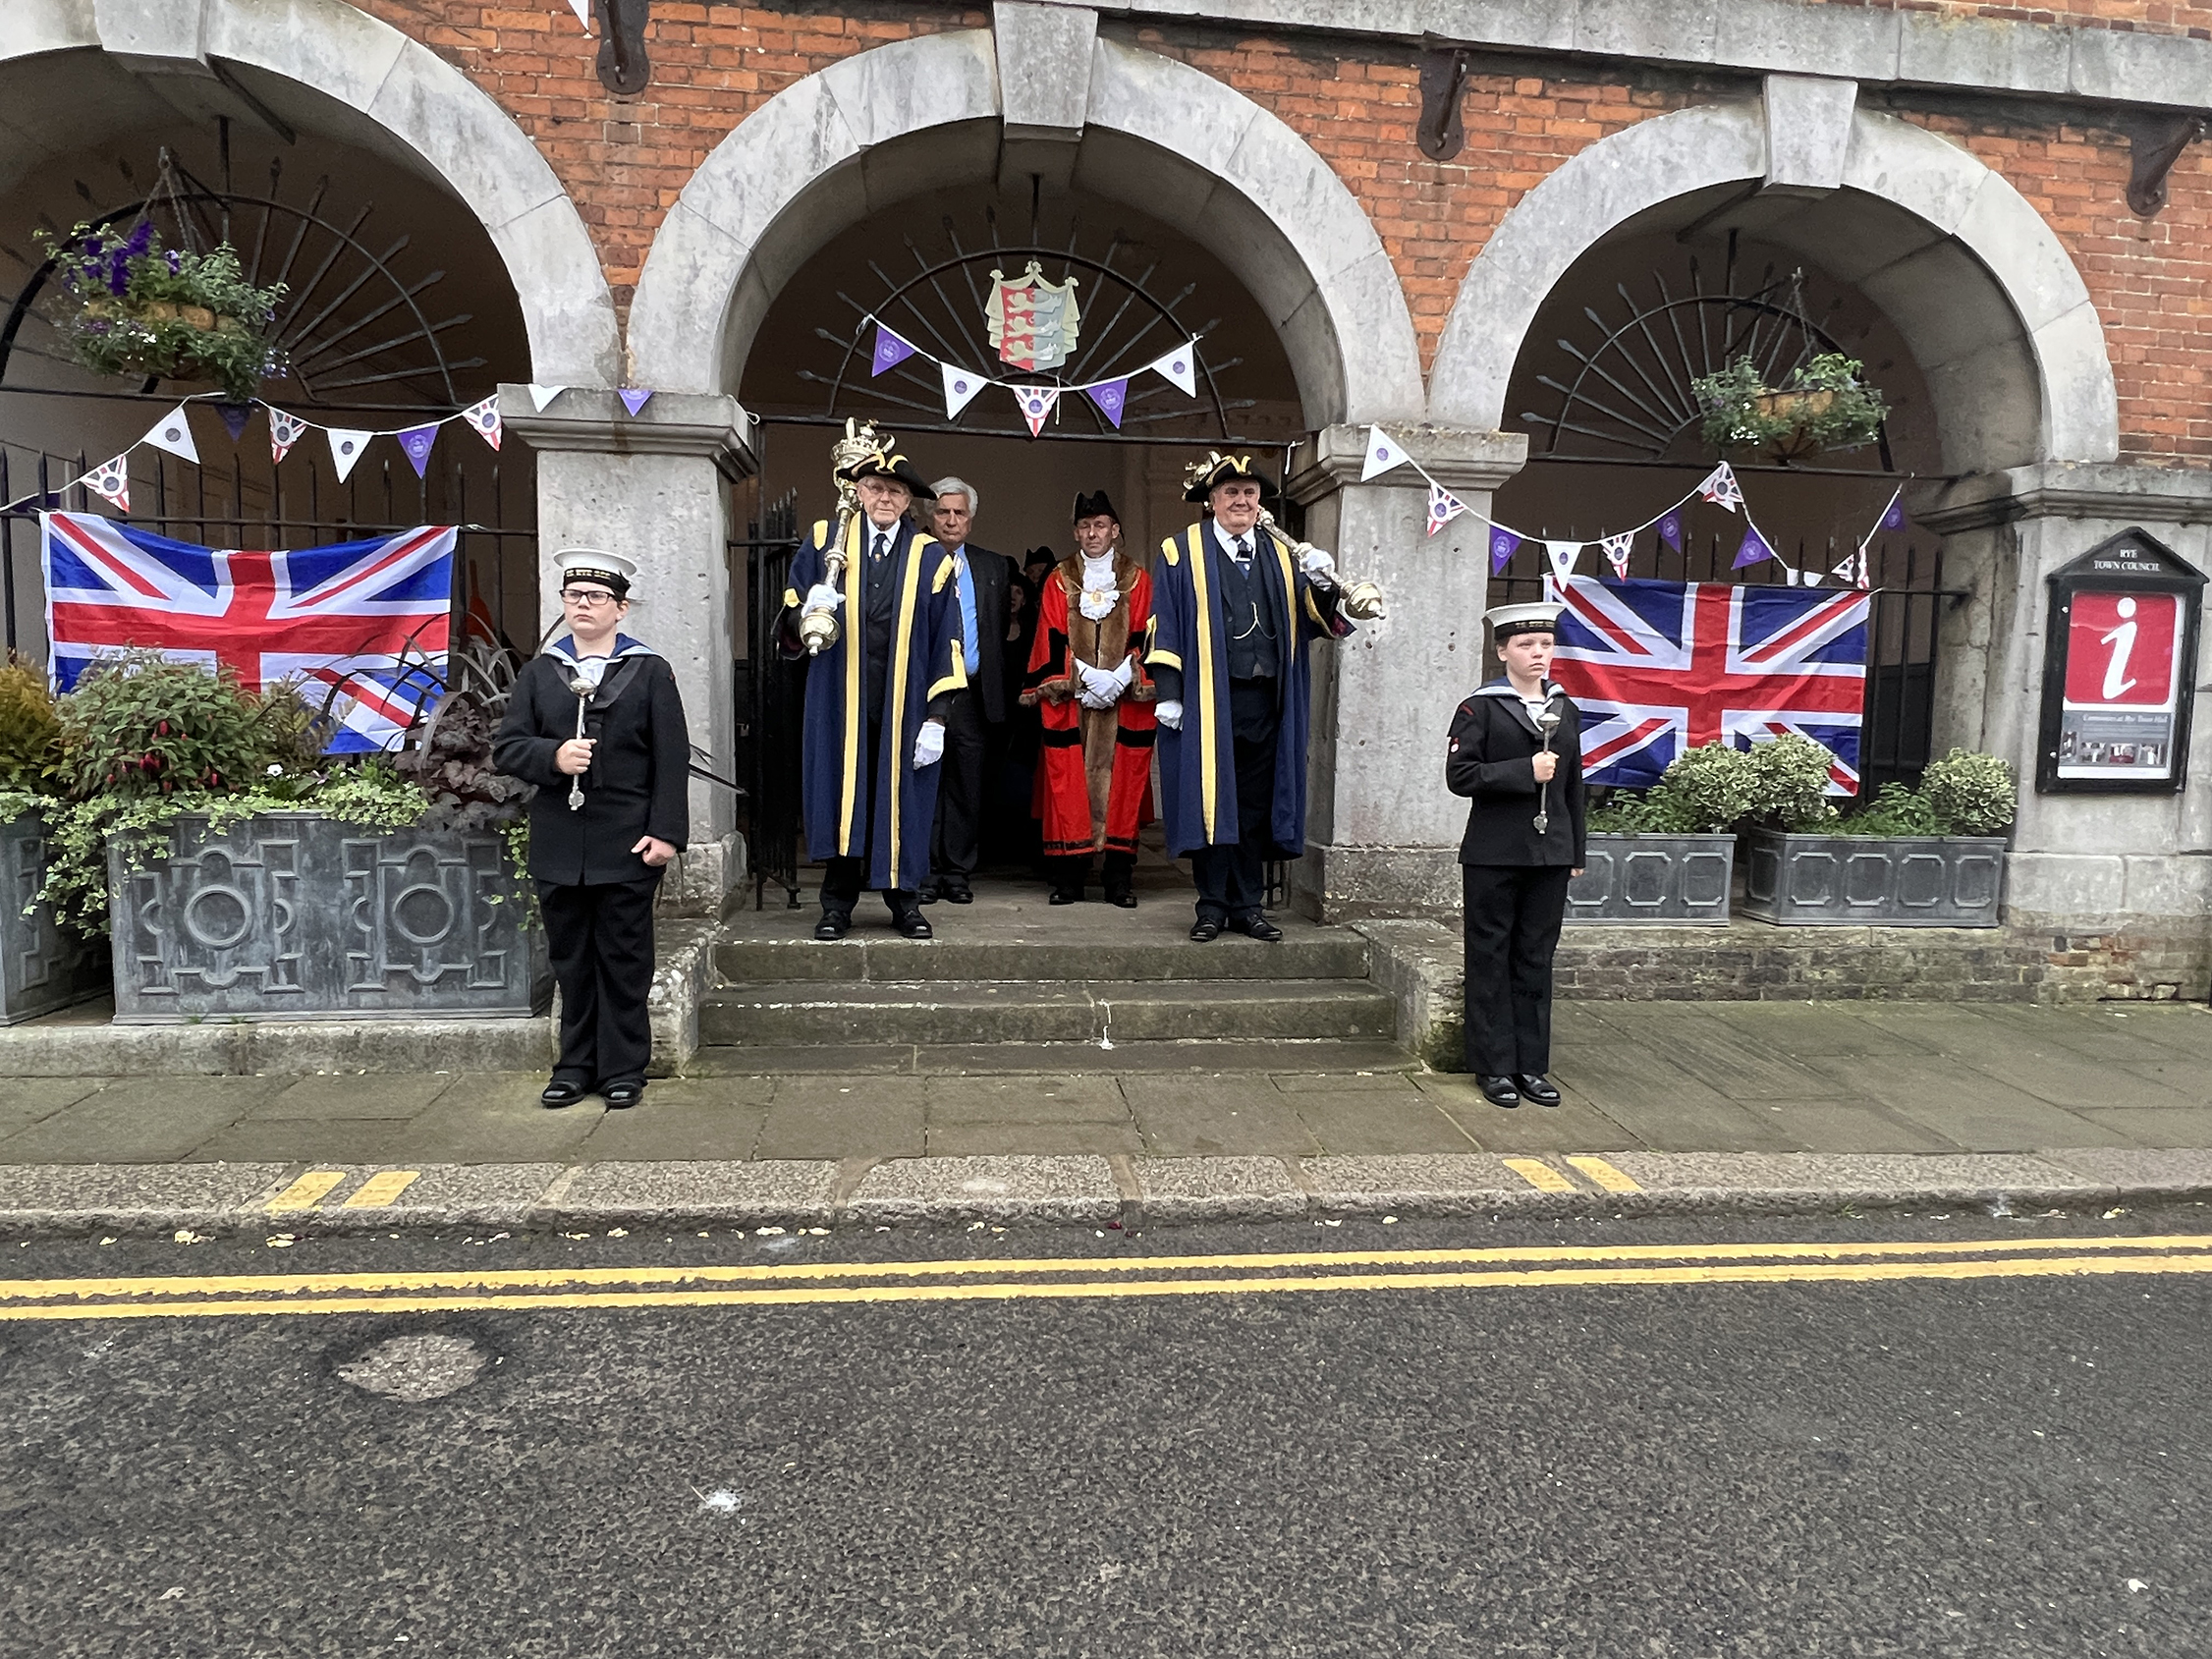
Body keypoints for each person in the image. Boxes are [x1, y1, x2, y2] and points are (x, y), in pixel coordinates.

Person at [493, 548, 690, 1111]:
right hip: (560, 842)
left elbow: (671, 758)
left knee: (625, 959)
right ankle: (574, 1067)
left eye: (597, 596)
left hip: (627, 840)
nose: (583, 604)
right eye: (574, 595)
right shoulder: (540, 672)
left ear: (620, 608)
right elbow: (508, 748)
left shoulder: (649, 671)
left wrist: (666, 833)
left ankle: (625, 1067)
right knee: (571, 961)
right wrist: (553, 757)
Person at [1146, 453, 1353, 941]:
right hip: (1207, 700)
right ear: (1212, 500)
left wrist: (1323, 584)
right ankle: (1211, 906)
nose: (1241, 501)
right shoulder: (1181, 550)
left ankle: (1248, 905)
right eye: (1231, 492)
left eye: (1249, 493)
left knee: (1255, 806)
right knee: (1213, 804)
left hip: (1267, 700)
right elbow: (1164, 622)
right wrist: (1170, 693)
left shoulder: (1282, 554)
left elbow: (1313, 622)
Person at [778, 445, 963, 941]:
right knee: (843, 796)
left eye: (896, 491)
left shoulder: (931, 557)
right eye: (876, 488)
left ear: (908, 501)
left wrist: (937, 718)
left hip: (906, 702)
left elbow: (947, 638)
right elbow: (792, 616)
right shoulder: (827, 541)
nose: (885, 498)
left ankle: (905, 904)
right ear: (858, 492)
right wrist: (806, 609)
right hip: (840, 701)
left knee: (901, 802)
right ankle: (837, 905)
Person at [1446, 600, 1587, 1109]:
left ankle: (1530, 1063)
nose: (1538, 653)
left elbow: (1573, 786)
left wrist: (1576, 850)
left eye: (1546, 644)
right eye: (1526, 645)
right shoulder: (1480, 708)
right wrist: (1523, 771)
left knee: (1535, 958)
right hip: (1494, 852)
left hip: (1549, 854)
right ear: (1503, 651)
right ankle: (1493, 1065)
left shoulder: (1565, 709)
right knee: (1490, 956)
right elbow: (1461, 776)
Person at [1023, 490, 1157, 907]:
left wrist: (1121, 676)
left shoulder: (1138, 578)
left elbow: (1148, 632)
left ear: (1115, 530)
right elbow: (1048, 636)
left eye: (1100, 525)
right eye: (1085, 526)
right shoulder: (1058, 579)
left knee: (1123, 789)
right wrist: (1083, 678)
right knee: (1069, 788)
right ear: (1076, 532)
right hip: (1073, 699)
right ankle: (1069, 879)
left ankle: (1119, 879)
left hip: (1124, 698)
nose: (1092, 533)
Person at [920, 476, 1014, 906]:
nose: (951, 520)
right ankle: (923, 872)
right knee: (925, 783)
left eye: (959, 513)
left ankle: (957, 872)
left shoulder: (993, 566)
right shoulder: (914, 560)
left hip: (974, 694)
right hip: (922, 696)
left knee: (966, 786)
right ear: (930, 516)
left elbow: (996, 631)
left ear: (971, 520)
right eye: (943, 512)